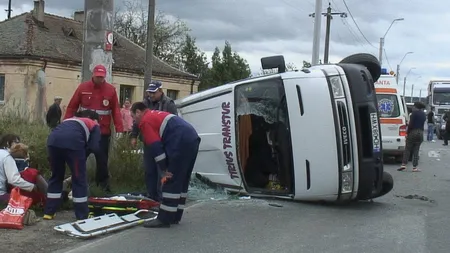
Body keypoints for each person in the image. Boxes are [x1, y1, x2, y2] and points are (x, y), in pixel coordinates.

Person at [130, 102, 200, 228]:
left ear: (138, 112)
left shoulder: (145, 121)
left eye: (133, 116)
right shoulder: (154, 114)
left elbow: (156, 147)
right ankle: (175, 215)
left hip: (180, 140)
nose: (133, 121)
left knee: (170, 177)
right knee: (182, 179)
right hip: (191, 137)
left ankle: (164, 219)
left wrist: (163, 168)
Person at [64, 65, 124, 192]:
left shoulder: (111, 90)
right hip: (84, 131)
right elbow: (72, 107)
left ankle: (102, 184)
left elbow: (116, 111)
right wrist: (66, 123)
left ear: (105, 76)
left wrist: (119, 129)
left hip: (102, 131)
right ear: (93, 75)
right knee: (79, 157)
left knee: (102, 160)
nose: (99, 79)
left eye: (102, 77)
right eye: (97, 76)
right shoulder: (83, 88)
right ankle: (75, 181)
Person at [43, 110, 101, 220]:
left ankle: (49, 212)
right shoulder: (94, 124)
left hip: (53, 142)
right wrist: (83, 156)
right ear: (95, 120)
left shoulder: (68, 121)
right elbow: (94, 147)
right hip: (73, 143)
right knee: (79, 178)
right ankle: (82, 215)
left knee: (56, 176)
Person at [130, 81, 178, 202]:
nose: (151, 95)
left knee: (161, 170)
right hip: (149, 142)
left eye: (153, 92)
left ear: (160, 91)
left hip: (163, 143)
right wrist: (134, 136)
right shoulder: (145, 103)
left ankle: (162, 197)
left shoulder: (169, 103)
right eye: (149, 92)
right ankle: (151, 196)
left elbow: (174, 123)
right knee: (149, 170)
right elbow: (137, 120)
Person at [0, 135, 38, 205]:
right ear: (8, 143)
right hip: (1, 195)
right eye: (16, 142)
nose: (19, 145)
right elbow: (13, 179)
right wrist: (32, 187)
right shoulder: (7, 157)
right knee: (25, 201)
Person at [398, 102, 426, 172]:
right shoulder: (423, 114)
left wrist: (407, 133)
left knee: (408, 148)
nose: (413, 108)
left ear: (416, 107)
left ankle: (403, 164)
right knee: (416, 150)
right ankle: (415, 167)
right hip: (420, 132)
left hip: (413, 132)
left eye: (414, 106)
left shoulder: (414, 114)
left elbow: (411, 124)